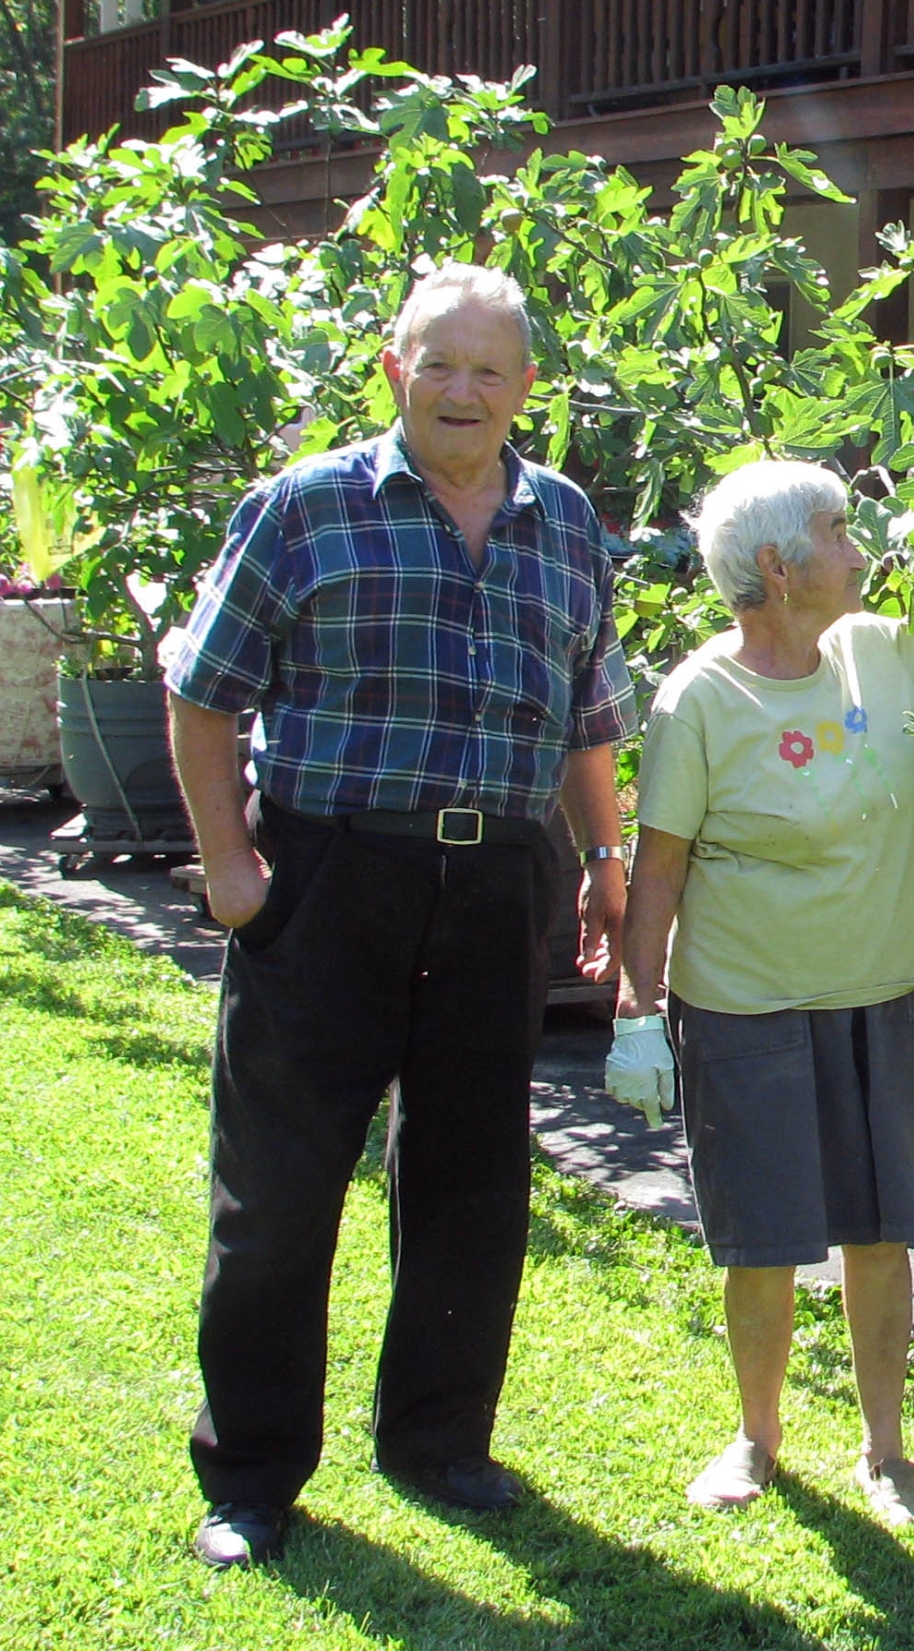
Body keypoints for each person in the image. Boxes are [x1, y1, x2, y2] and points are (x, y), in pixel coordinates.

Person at [164, 264, 635, 1570]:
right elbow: (204, 694)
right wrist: (229, 869)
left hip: (498, 890)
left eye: (491, 369)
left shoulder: (567, 525)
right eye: (440, 364)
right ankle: (252, 1476)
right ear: (395, 371)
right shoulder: (307, 510)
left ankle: (439, 1442)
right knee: (281, 1183)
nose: (464, 391)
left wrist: (604, 865)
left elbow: (589, 718)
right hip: (329, 883)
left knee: (473, 1180)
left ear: (529, 387)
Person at [601, 429, 914, 1528]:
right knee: (765, 1237)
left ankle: (887, 1453)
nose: (855, 542)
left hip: (888, 992)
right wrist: (638, 1011)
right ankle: (756, 1435)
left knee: (882, 1229)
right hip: (747, 1004)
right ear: (778, 569)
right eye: (834, 530)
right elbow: (660, 869)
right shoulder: (700, 701)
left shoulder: (876, 648)